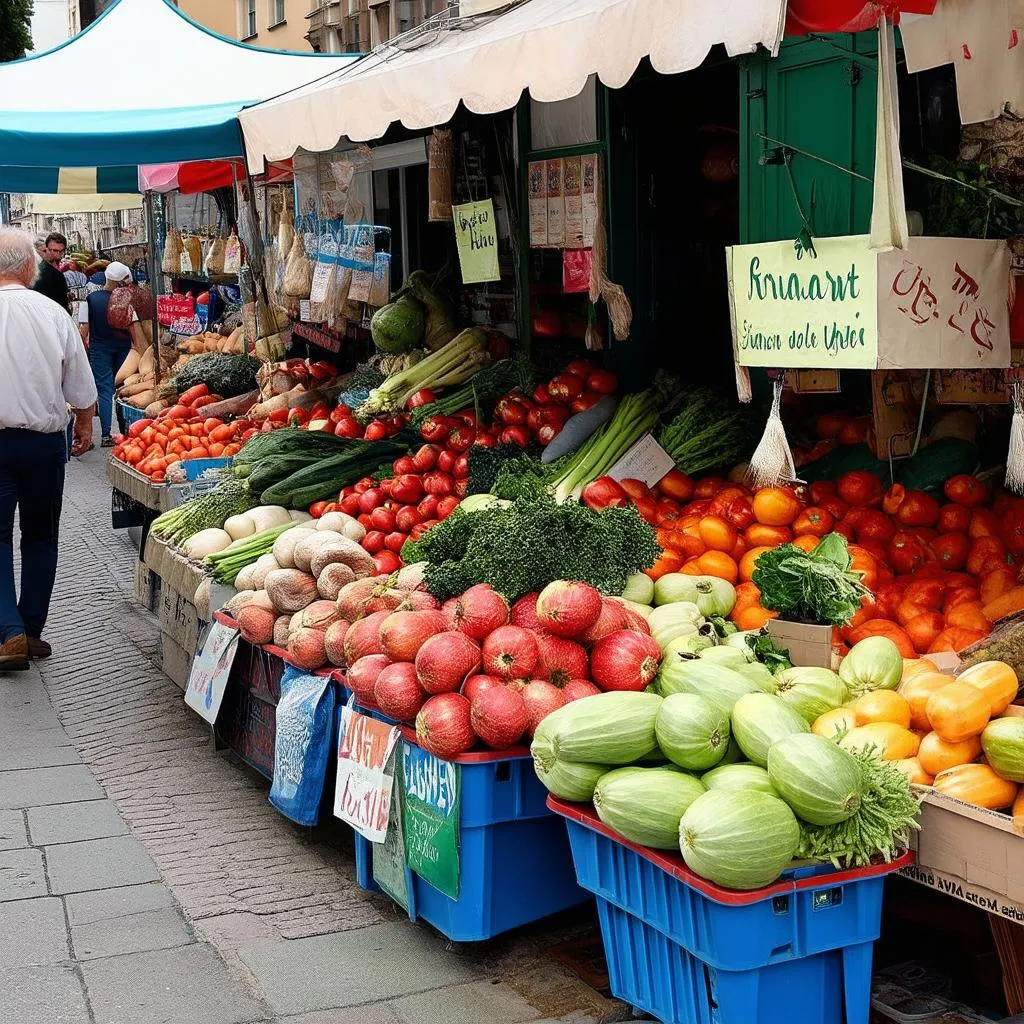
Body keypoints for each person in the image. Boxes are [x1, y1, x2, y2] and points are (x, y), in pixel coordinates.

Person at [0, 227, 97, 671]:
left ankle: (9, 632)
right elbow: (79, 381)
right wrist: (83, 422)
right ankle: (30, 627)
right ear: (28, 266)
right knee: (40, 536)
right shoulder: (52, 312)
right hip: (42, 443)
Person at [83, 261, 136, 447]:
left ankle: (106, 435)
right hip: (123, 349)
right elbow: (134, 328)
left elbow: (84, 330)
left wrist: (83, 351)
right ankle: (127, 432)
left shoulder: (90, 299)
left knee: (104, 391)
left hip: (100, 349)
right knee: (124, 388)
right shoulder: (127, 299)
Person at [33, 232, 70, 310]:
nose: (58, 254)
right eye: (54, 250)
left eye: (61, 251)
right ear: (46, 249)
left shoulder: (56, 271)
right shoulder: (47, 273)